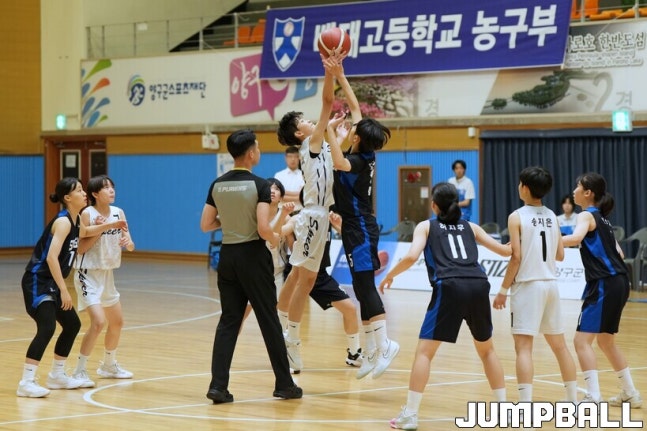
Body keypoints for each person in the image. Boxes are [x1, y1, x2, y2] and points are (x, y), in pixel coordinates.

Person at [379, 182, 511, 430]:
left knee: (424, 353)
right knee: (487, 351)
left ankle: (410, 414)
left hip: (450, 287)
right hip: (479, 285)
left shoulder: (426, 226)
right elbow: (505, 251)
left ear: (434, 205)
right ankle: (504, 410)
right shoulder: (471, 227)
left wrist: (390, 275)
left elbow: (411, 256)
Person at [200, 129, 302, 403]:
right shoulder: (259, 185)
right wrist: (276, 238)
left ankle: (218, 386)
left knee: (228, 321)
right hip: (253, 257)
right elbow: (263, 229)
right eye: (257, 147)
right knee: (269, 319)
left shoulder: (217, 184)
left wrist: (231, 220)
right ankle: (284, 385)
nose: (258, 151)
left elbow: (206, 224)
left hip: (228, 257)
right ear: (250, 153)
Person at [18, 177, 128, 398]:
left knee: (72, 325)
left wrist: (112, 225)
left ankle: (57, 375)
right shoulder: (63, 222)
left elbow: (86, 232)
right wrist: (64, 290)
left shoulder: (76, 220)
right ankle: (26, 382)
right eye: (79, 190)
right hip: (38, 281)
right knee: (47, 327)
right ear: (68, 197)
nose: (84, 193)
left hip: (52, 282)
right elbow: (51, 258)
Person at [327, 60, 397, 380]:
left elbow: (337, 160)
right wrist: (340, 75)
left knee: (366, 287)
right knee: (359, 286)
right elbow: (356, 108)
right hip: (353, 228)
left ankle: (385, 345)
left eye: (353, 130)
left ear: (355, 138)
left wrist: (330, 131)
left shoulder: (355, 161)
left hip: (361, 229)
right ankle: (370, 352)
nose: (352, 127)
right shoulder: (364, 150)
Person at [275, 52, 341, 373]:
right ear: (300, 134)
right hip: (314, 216)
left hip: (317, 215)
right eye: (303, 120)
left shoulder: (319, 142)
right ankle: (291, 340)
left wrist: (335, 132)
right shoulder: (310, 144)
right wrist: (329, 73)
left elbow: (333, 145)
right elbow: (327, 102)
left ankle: (280, 323)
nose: (310, 119)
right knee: (307, 279)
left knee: (298, 274)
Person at [493, 166, 578, 404]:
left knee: (523, 348)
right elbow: (560, 255)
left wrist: (502, 291)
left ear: (525, 188)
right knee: (560, 347)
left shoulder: (516, 216)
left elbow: (516, 258)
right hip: (551, 285)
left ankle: (525, 405)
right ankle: (572, 401)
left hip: (528, 286)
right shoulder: (552, 216)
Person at [562, 172, 641, 407]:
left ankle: (593, 397)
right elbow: (620, 253)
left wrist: (542, 239)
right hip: (620, 282)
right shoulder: (604, 220)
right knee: (606, 342)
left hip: (604, 283)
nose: (574, 190)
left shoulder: (585, 215)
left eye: (578, 186)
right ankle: (630, 392)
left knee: (581, 342)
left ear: (588, 193)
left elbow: (575, 238)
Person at [275, 200, 363, 370]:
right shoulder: (299, 218)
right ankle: (285, 344)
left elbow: (352, 238)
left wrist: (339, 225)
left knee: (350, 310)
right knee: (285, 309)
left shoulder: (327, 218)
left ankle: (354, 354)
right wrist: (282, 216)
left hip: (320, 276)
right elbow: (280, 232)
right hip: (303, 273)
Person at [71, 175, 135, 388]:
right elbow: (80, 249)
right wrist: (101, 229)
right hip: (87, 274)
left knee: (117, 322)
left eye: (112, 187)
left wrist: (127, 242)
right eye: (106, 188)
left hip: (107, 275)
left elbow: (131, 244)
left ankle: (108, 365)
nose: (111, 190)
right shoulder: (87, 214)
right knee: (98, 322)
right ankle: (79, 370)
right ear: (95, 194)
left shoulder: (118, 212)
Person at [274, 146, 304, 214]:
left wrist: (284, 193)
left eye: (296, 156)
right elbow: (277, 195)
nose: (293, 159)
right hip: (281, 213)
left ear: (299, 158)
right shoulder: (278, 175)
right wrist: (298, 195)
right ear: (285, 158)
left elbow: (304, 196)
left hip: (300, 212)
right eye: (290, 156)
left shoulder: (304, 175)